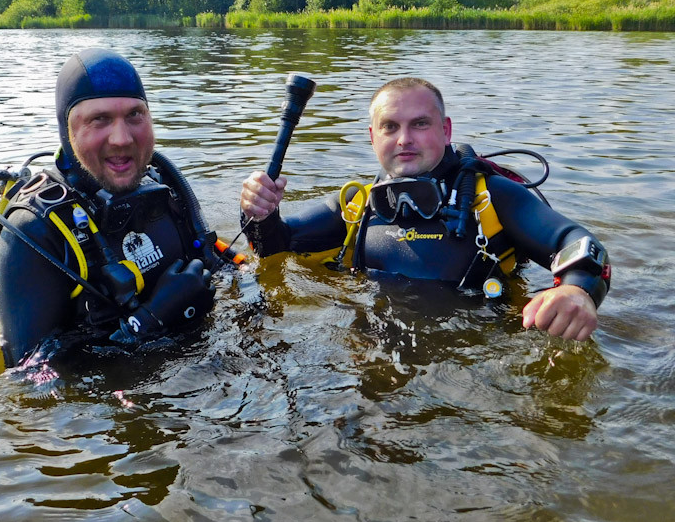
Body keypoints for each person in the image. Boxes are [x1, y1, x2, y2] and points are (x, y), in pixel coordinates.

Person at [239, 77, 610, 341]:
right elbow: (276, 246)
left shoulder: (491, 197)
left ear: (446, 131)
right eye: (390, 127)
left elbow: (575, 241)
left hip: (477, 362)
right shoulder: (356, 205)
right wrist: (259, 212)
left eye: (420, 124)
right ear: (373, 137)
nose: (404, 139)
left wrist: (577, 292)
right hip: (373, 356)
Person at [0, 48, 217, 367]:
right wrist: (148, 323)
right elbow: (30, 384)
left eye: (135, 115)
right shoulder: (34, 232)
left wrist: (262, 224)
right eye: (100, 119)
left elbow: (217, 263)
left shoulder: (164, 185)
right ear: (67, 131)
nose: (122, 138)